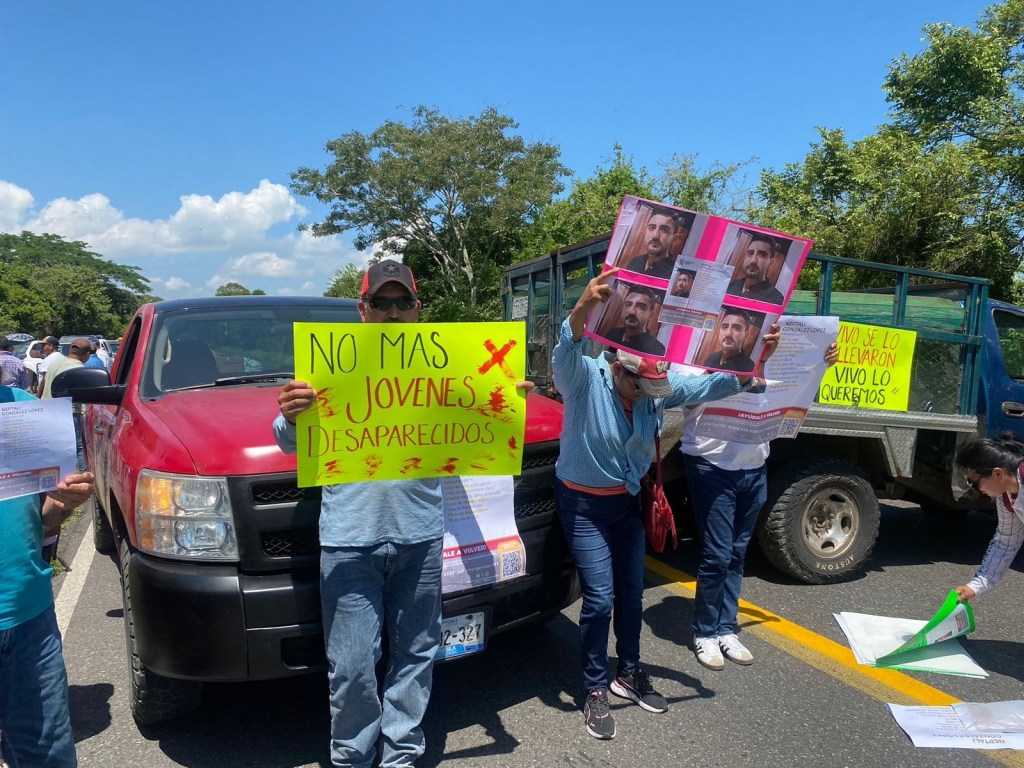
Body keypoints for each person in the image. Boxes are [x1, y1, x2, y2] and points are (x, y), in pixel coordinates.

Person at [553, 266, 777, 740]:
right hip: (584, 506)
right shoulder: (585, 379)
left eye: (657, 390)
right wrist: (581, 308)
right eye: (640, 388)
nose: (651, 398)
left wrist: (756, 362)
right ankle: (594, 687)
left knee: (632, 594)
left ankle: (628, 672)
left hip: (626, 506)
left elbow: (713, 385)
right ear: (616, 367)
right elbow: (565, 349)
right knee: (598, 598)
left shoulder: (657, 388)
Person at [273, 259, 444, 768]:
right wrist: (288, 413)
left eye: (403, 302)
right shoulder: (328, 364)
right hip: (349, 538)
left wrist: (502, 405)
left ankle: (402, 753)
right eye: (381, 302)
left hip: (421, 534)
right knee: (350, 666)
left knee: (417, 655)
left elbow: (475, 431)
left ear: (418, 309)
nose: (393, 312)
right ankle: (351, 756)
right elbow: (287, 442)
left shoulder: (445, 364)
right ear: (362, 309)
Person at [681, 340, 839, 671]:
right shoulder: (697, 352)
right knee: (717, 554)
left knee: (737, 553)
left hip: (753, 467)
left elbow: (792, 392)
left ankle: (726, 628)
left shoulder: (773, 356)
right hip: (712, 467)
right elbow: (685, 391)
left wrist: (819, 363)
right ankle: (705, 631)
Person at [0, 383, 95, 768]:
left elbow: (42, 522)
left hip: (28, 616)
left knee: (48, 754)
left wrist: (61, 504)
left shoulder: (24, 410)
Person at [952, 433, 1024, 603]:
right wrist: (975, 586)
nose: (974, 489)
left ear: (997, 474)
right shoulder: (1005, 497)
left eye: (974, 483)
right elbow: (1006, 542)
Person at [603, 288, 666, 356]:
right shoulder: (613, 333)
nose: (632, 311)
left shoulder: (656, 349)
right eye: (628, 305)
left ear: (651, 314)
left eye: (641, 307)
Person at [726, 234, 784, 304]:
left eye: (762, 255)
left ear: (770, 262)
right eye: (750, 253)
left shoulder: (775, 299)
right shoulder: (732, 285)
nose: (753, 260)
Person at [624, 211, 678, 279]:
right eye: (652, 228)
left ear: (674, 238)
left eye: (664, 230)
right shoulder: (636, 261)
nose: (655, 236)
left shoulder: (675, 273)